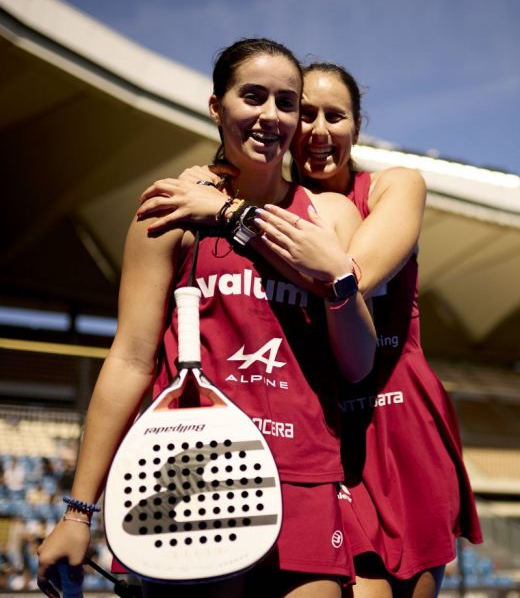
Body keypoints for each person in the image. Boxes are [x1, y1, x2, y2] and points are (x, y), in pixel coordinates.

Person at [37, 38, 376, 598]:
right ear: (217, 107)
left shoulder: (329, 215)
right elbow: (130, 358)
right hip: (188, 470)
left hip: (304, 474)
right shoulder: (170, 213)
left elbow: (358, 364)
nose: (271, 115)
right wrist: (78, 512)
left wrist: (338, 280)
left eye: (286, 102)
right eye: (253, 97)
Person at [138, 61, 483, 598]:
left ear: (358, 126)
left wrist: (229, 210)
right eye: (310, 114)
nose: (320, 131)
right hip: (319, 429)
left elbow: (349, 275)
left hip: (392, 422)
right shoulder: (281, 204)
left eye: (337, 116)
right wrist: (212, 183)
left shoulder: (393, 186)